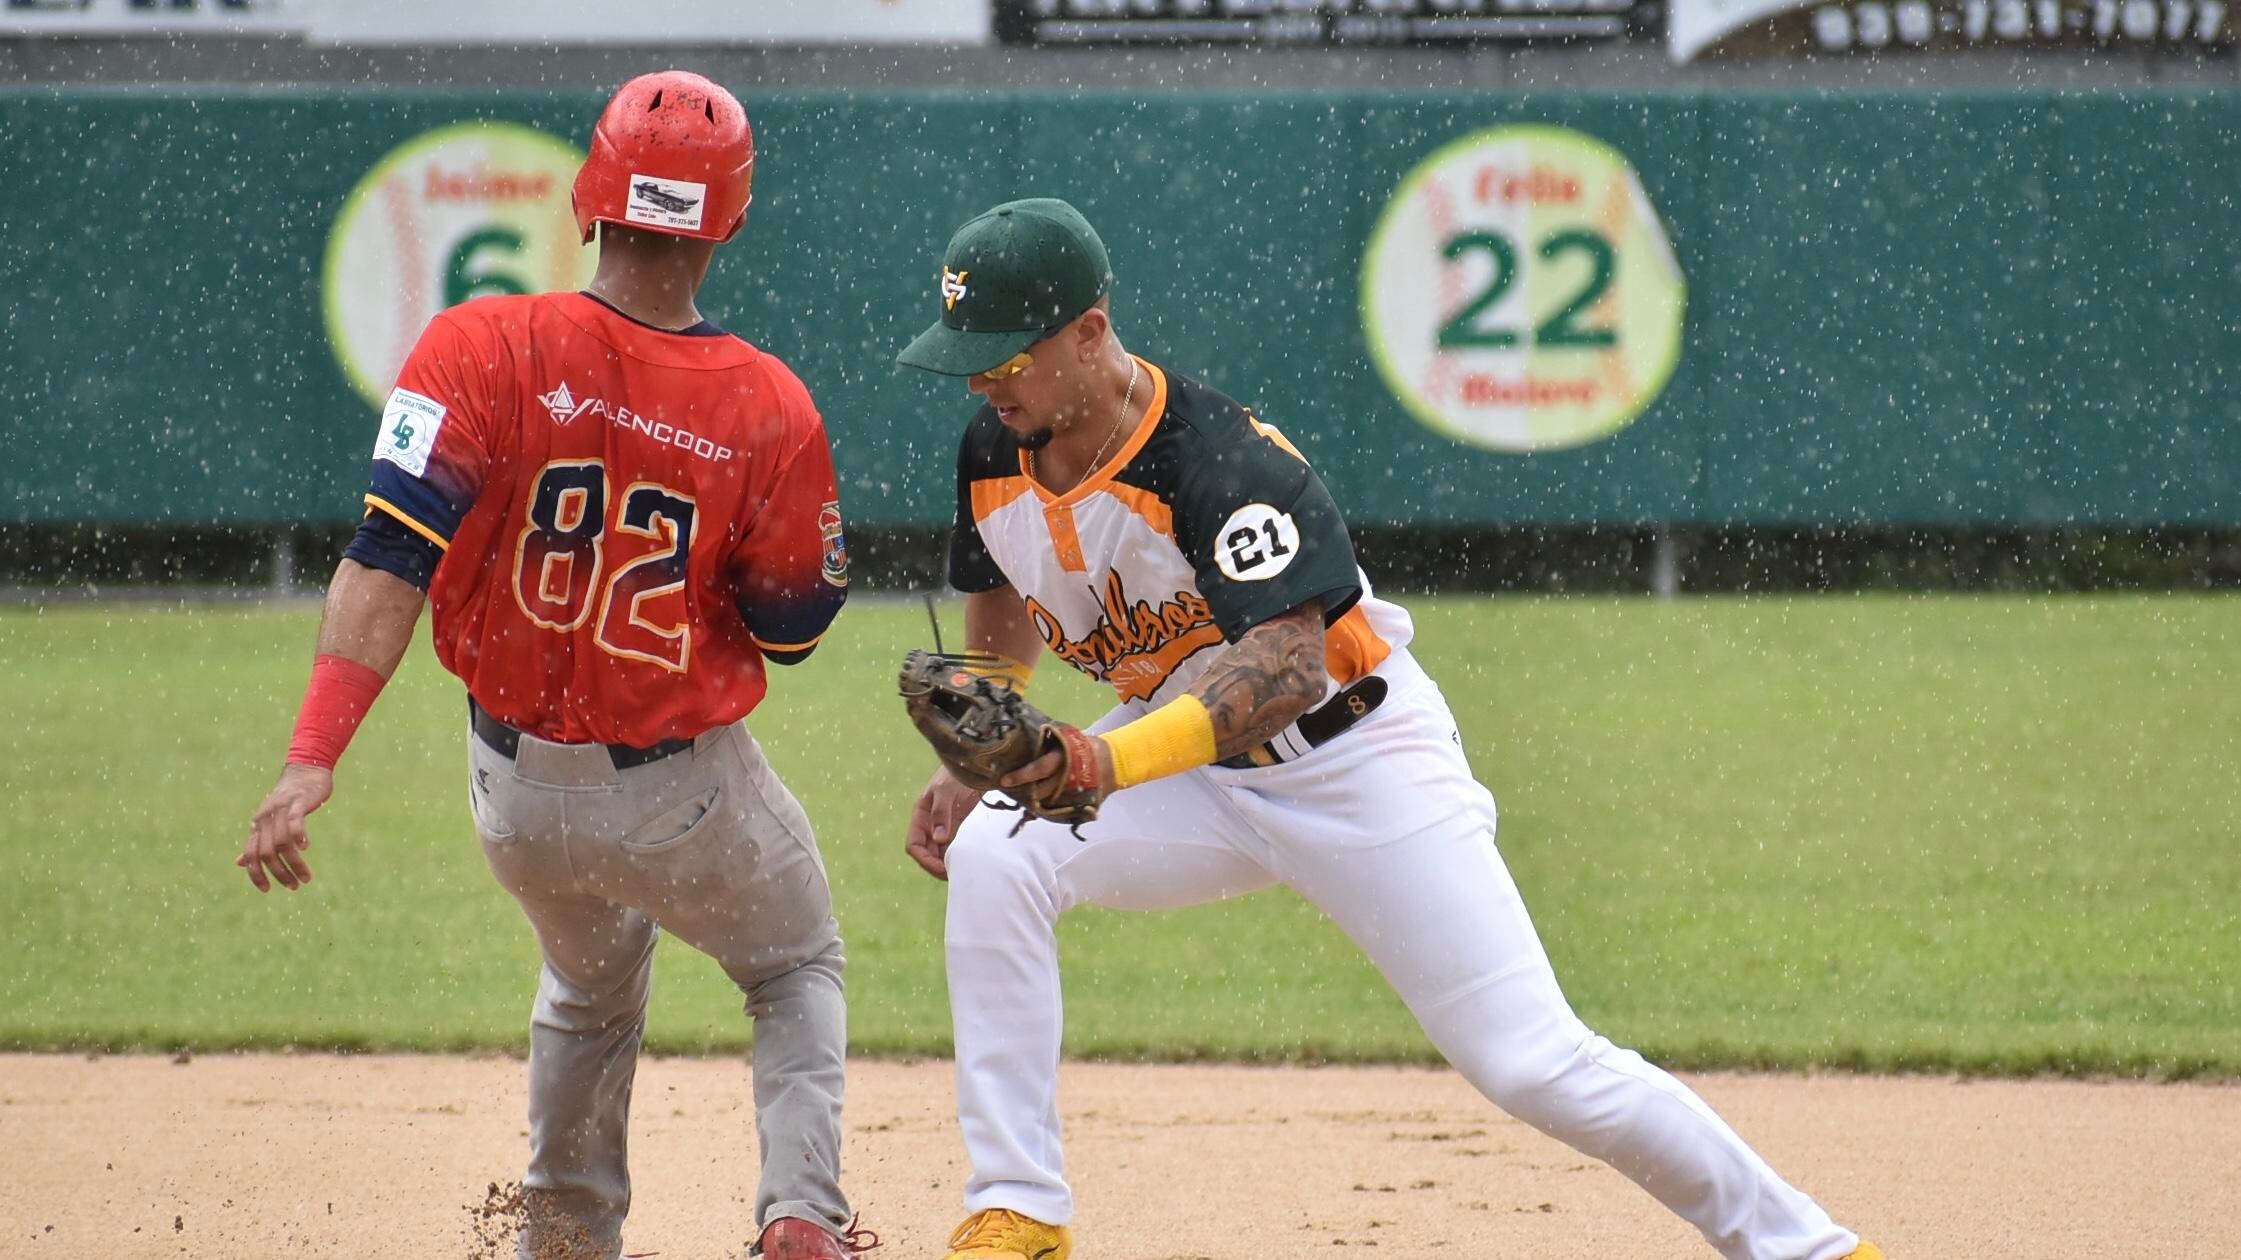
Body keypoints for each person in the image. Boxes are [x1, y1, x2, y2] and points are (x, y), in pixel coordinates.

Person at [893, 198, 1885, 1260]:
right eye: (971, 358)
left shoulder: (1222, 465)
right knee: (1001, 848)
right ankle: (1020, 1210)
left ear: (1090, 331)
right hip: (1187, 774)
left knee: (1535, 1065)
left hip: (1356, 757)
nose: (984, 382)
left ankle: (1810, 1247)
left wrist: (1099, 760)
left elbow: (1283, 668)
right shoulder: (998, 446)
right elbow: (999, 597)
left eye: (1008, 356)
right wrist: (971, 759)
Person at [240, 71, 872, 1260]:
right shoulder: (767, 403)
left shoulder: (479, 345)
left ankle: (567, 1238)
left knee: (586, 996)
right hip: (682, 791)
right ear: (727, 221)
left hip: (516, 796)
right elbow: (792, 626)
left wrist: (311, 757)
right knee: (794, 965)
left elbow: (387, 558)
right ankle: (800, 1214)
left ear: (593, 196)